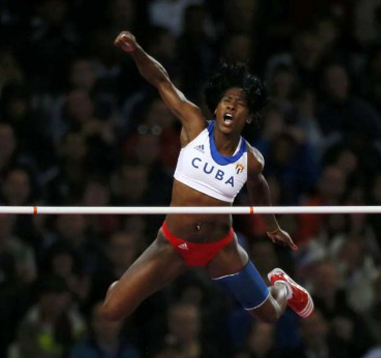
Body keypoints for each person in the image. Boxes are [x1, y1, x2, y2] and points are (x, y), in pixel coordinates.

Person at [102, 31, 313, 325]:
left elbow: (259, 187)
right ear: (216, 106)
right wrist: (136, 50)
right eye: (227, 100)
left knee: (270, 315)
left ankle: (282, 287)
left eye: (240, 104)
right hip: (173, 245)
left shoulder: (251, 159)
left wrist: (272, 227)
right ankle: (121, 286)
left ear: (249, 116)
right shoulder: (194, 126)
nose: (231, 106)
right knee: (110, 311)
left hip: (220, 249)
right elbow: (161, 80)